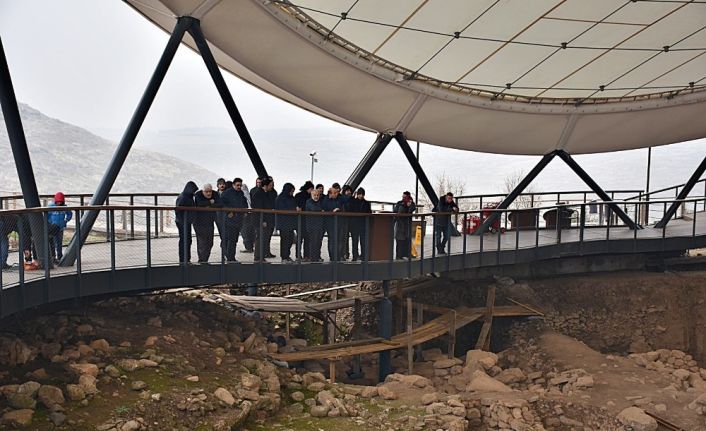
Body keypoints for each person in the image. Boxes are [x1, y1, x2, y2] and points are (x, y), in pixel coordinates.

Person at [220, 177, 249, 262]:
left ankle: (229, 256)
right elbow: (222, 204)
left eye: (240, 185)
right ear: (233, 185)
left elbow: (244, 203)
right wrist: (228, 212)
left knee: (234, 239)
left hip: (238, 220)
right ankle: (230, 257)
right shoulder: (226, 193)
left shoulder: (240, 194)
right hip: (229, 220)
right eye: (237, 185)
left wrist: (244, 211)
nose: (239, 187)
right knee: (230, 239)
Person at [193, 183, 222, 263]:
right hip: (199, 222)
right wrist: (211, 202)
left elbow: (220, 204)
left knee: (210, 242)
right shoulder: (198, 194)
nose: (209, 193)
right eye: (206, 192)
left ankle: (205, 259)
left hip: (210, 222)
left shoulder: (215, 194)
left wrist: (207, 206)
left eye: (210, 191)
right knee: (202, 242)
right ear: (203, 191)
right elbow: (199, 204)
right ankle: (202, 260)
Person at [251, 177, 276, 261]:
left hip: (266, 219)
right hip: (260, 220)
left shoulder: (266, 193)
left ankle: (262, 255)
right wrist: (263, 221)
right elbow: (258, 208)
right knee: (260, 238)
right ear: (265, 185)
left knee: (264, 238)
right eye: (270, 185)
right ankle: (258, 257)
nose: (271, 187)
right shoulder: (258, 194)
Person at [346, 187, 371, 261]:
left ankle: (363, 256)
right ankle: (355, 256)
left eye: (362, 194)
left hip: (363, 225)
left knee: (363, 242)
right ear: (357, 194)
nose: (360, 196)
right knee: (355, 241)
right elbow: (349, 210)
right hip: (355, 225)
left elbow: (369, 213)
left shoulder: (366, 203)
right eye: (359, 194)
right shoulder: (353, 201)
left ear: (364, 195)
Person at [175, 181, 198, 263]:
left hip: (186, 222)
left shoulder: (187, 196)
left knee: (187, 240)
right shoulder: (183, 197)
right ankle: (183, 259)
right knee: (185, 240)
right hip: (182, 222)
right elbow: (178, 210)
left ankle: (186, 259)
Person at [47, 192, 72, 263]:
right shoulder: (50, 207)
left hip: (60, 228)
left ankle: (59, 257)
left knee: (59, 243)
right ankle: (53, 257)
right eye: (57, 202)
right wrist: (49, 225)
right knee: (52, 243)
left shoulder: (65, 207)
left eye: (61, 202)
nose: (59, 203)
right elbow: (46, 217)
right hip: (52, 229)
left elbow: (69, 214)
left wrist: (66, 220)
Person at [275, 183, 297, 262]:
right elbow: (282, 209)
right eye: (291, 191)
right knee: (285, 240)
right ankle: (284, 257)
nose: (292, 193)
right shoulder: (280, 198)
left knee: (290, 239)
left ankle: (287, 255)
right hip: (283, 223)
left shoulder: (292, 198)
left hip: (290, 223)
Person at [322, 186, 343, 261]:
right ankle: (332, 257)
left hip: (339, 223)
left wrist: (339, 209)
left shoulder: (339, 199)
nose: (337, 194)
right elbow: (324, 208)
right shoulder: (326, 200)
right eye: (335, 193)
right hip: (330, 223)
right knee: (332, 240)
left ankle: (338, 256)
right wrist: (332, 211)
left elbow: (345, 201)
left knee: (339, 240)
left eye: (337, 193)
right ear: (331, 193)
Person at [295, 181, 314, 260]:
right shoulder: (310, 197)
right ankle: (307, 255)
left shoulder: (298, 195)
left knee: (300, 239)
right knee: (307, 239)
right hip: (306, 220)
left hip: (300, 220)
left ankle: (298, 255)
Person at [393, 191, 416, 259]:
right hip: (400, 224)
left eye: (404, 197)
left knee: (407, 240)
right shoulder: (399, 203)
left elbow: (412, 208)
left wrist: (409, 205)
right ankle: (399, 255)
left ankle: (407, 254)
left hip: (407, 224)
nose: (403, 198)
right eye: (402, 196)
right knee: (400, 241)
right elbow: (396, 212)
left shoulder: (411, 203)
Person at [241, 177, 261, 253]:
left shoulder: (247, 193)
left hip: (249, 215)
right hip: (249, 214)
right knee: (248, 231)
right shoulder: (251, 192)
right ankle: (249, 247)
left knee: (246, 231)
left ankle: (249, 247)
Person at [305, 189, 325, 262]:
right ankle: (313, 258)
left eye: (317, 195)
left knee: (318, 242)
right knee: (313, 242)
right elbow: (314, 209)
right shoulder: (308, 202)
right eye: (315, 195)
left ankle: (317, 256)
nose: (316, 197)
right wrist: (321, 210)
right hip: (311, 226)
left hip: (319, 225)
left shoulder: (320, 202)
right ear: (311, 195)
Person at [340, 184, 353, 260]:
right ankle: (344, 253)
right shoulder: (346, 199)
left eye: (349, 190)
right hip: (344, 221)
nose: (349, 192)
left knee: (345, 238)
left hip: (347, 221)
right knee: (344, 238)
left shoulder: (347, 199)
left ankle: (345, 253)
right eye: (347, 190)